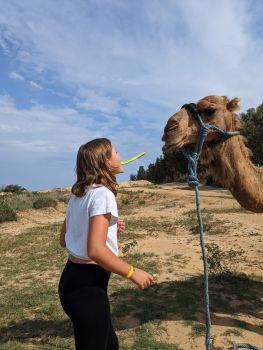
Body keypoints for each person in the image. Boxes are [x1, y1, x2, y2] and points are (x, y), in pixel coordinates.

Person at [58, 138, 154, 350]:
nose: (120, 156)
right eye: (116, 152)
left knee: (111, 345)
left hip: (72, 282)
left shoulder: (77, 196)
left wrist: (110, 232)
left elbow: (64, 240)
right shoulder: (103, 194)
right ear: (105, 162)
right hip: (87, 290)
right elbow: (95, 250)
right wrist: (132, 272)